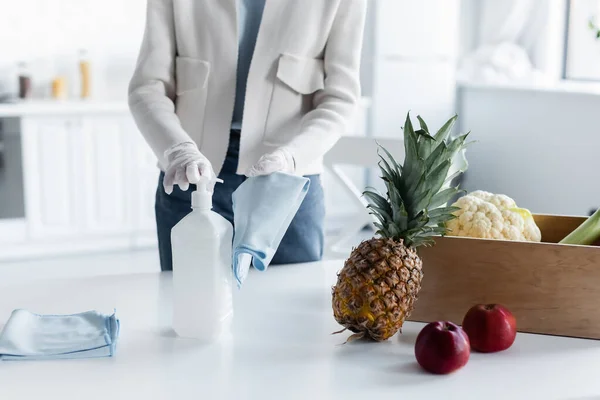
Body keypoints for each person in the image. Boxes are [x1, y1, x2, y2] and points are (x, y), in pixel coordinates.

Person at [128, 0, 367, 271]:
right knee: (189, 300)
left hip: (289, 177)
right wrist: (177, 149)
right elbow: (148, 88)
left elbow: (340, 98)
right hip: (191, 174)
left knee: (288, 303)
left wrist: (291, 157)